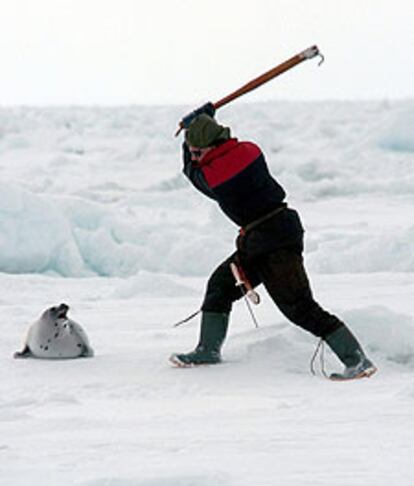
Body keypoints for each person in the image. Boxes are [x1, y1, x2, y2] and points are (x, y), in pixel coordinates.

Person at [170, 113, 377, 380]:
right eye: (193, 151)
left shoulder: (218, 176)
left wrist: (187, 137)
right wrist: (202, 122)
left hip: (273, 240)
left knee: (299, 307)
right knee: (221, 286)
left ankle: (357, 360)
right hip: (265, 235)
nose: (195, 156)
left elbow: (192, 172)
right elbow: (202, 161)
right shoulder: (249, 150)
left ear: (212, 145)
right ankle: (207, 350)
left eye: (198, 151)